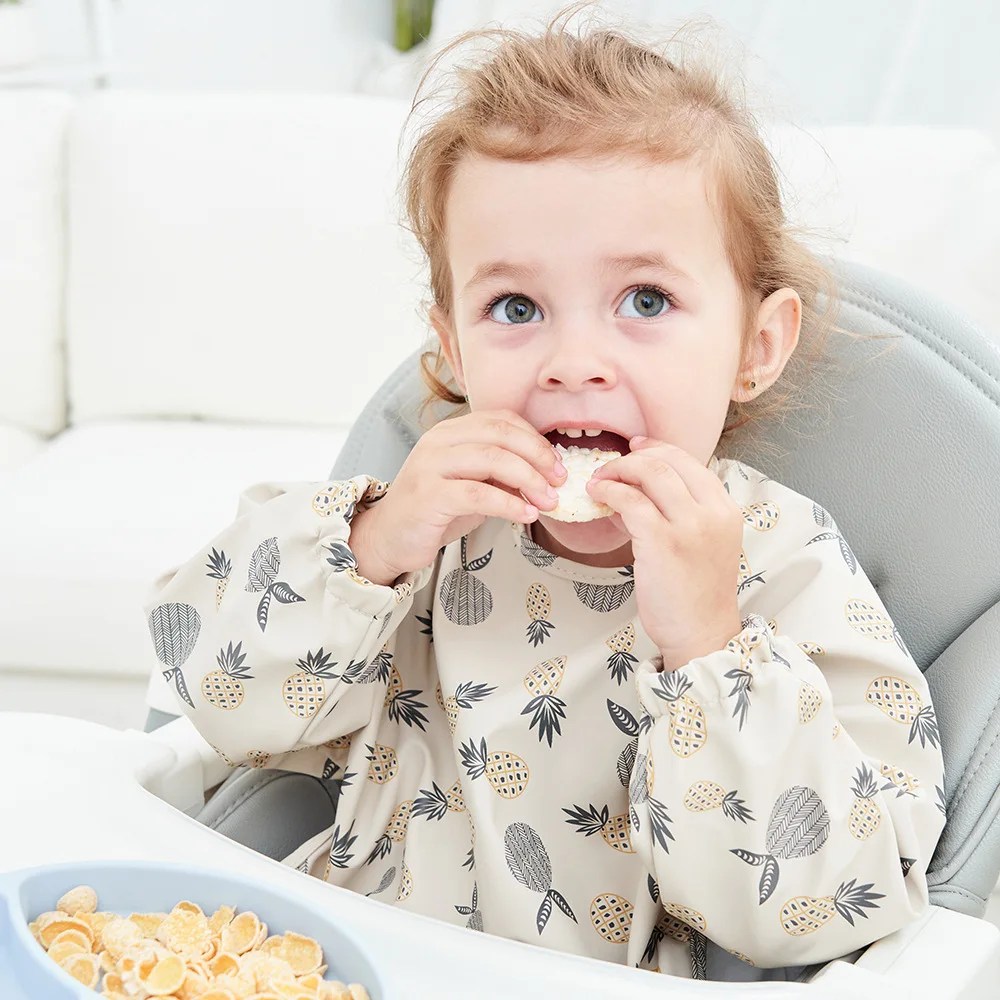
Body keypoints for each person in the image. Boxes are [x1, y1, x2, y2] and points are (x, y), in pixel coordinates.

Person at [144, 6, 946, 982]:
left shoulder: (780, 562)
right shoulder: (420, 528)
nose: (574, 362)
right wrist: (376, 540)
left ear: (754, 345)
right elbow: (213, 691)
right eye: (514, 307)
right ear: (449, 341)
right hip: (357, 959)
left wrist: (709, 643)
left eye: (644, 301)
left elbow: (821, 905)